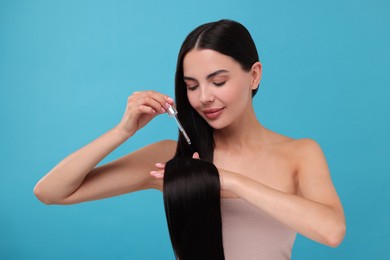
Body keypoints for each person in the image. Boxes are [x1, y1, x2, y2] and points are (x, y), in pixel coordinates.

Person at [34, 19, 346, 259]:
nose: (204, 97)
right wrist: (123, 131)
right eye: (192, 86)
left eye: (218, 81)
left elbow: (332, 231)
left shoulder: (300, 153)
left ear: (254, 75)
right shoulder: (174, 158)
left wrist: (230, 181)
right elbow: (50, 192)